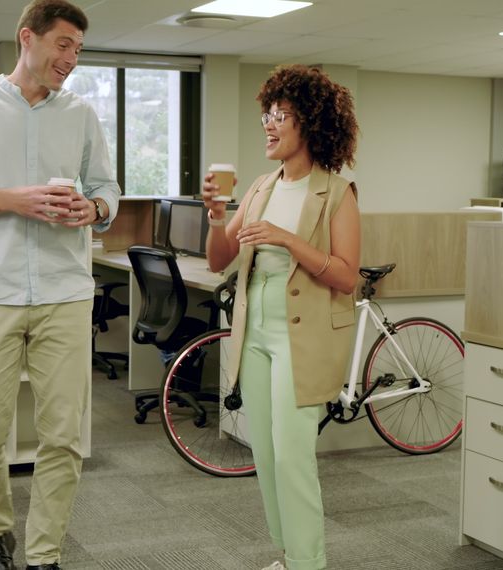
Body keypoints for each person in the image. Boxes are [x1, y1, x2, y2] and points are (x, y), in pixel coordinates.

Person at [0, 1, 119, 568]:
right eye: (62, 45)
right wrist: (16, 198)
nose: (70, 59)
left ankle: (44, 555)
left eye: (78, 50)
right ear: (26, 39)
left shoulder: (80, 112)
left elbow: (108, 188)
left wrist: (94, 208)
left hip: (65, 292)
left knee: (64, 438)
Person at [201, 65, 360, 570]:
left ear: (309, 123)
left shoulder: (337, 193)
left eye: (280, 116)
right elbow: (218, 259)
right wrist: (218, 216)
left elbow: (346, 276)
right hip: (256, 330)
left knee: (293, 456)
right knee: (265, 454)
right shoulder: (262, 186)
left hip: (305, 334)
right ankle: (290, 555)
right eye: (266, 115)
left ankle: (310, 563)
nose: (268, 125)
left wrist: (287, 239)